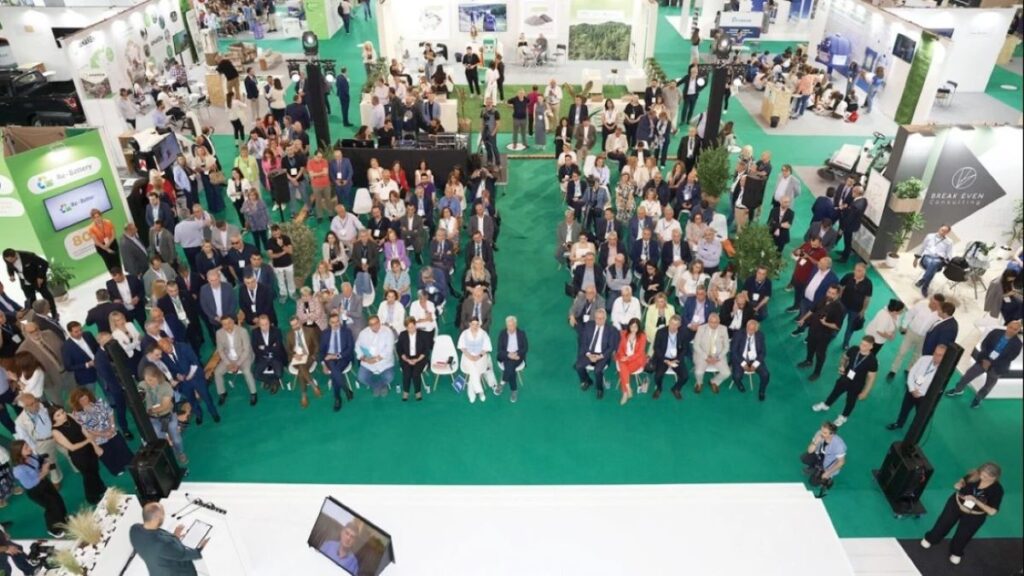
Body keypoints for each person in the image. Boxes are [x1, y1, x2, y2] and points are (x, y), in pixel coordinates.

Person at [920, 463, 1003, 565]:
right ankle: (931, 539)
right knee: (943, 523)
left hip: (975, 515)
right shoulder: (974, 475)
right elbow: (962, 481)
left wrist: (976, 501)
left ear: (994, 477)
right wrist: (959, 484)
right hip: (956, 504)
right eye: (981, 473)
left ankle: (956, 552)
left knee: (964, 534)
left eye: (986, 476)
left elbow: (992, 511)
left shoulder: (997, 490)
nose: (981, 477)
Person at [946, 319, 1022, 408]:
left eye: (1015, 329)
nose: (1011, 330)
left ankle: (978, 399)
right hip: (983, 360)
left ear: (1018, 330)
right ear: (1007, 326)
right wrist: (985, 360)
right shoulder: (996, 332)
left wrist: (991, 363)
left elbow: (1009, 358)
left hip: (997, 368)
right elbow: (984, 345)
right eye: (1010, 327)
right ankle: (958, 389)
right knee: (968, 375)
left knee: (988, 385)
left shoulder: (1018, 344)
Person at [812, 336, 879, 427]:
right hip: (845, 378)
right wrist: (842, 366)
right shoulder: (854, 349)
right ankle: (826, 405)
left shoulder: (873, 361)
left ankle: (844, 416)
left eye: (865, 345)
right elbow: (844, 358)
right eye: (861, 343)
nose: (861, 346)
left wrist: (865, 392)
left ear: (871, 346)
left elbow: (871, 378)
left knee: (850, 401)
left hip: (857, 384)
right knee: (834, 393)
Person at [69, 387, 133, 476]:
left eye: (85, 398)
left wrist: (112, 427)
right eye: (81, 400)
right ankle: (117, 469)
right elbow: (87, 429)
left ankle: (129, 462)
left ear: (88, 395)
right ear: (76, 401)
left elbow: (110, 413)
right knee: (108, 455)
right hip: (98, 438)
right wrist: (103, 434)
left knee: (121, 447)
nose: (84, 401)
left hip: (112, 431)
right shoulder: (77, 414)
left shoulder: (99, 402)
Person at [130, 502, 206, 576]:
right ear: (155, 519)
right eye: (162, 514)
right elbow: (184, 554)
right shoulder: (163, 544)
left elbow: (160, 548)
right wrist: (202, 548)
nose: (163, 517)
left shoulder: (134, 530)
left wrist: (174, 537)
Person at [10, 439, 67, 537]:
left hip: (44, 482)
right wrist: (44, 472)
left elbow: (39, 461)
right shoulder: (18, 470)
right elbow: (30, 484)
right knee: (52, 507)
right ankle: (53, 530)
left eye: (28, 445)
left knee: (58, 500)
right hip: (36, 491)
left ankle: (63, 520)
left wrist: (45, 463)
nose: (29, 448)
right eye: (26, 447)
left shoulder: (30, 456)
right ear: (18, 452)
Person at [50, 405, 106, 505]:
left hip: (89, 449)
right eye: (58, 415)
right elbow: (71, 447)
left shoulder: (70, 416)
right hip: (79, 455)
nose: (63, 415)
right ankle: (92, 498)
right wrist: (88, 440)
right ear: (53, 419)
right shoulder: (55, 431)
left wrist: (95, 446)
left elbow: (83, 430)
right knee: (88, 476)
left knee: (95, 469)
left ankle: (101, 488)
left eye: (62, 412)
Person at [887, 345, 946, 431]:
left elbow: (937, 388)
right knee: (904, 409)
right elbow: (911, 373)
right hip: (911, 390)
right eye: (935, 353)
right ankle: (899, 423)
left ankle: (914, 431)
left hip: (924, 397)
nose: (936, 356)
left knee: (920, 415)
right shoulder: (924, 359)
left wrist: (921, 393)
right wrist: (912, 389)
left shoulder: (943, 371)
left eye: (940, 355)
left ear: (945, 357)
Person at [796, 284, 845, 380]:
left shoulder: (839, 308)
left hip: (824, 335)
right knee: (810, 346)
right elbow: (812, 310)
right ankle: (809, 361)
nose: (829, 295)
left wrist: (825, 323)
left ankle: (817, 372)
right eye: (829, 292)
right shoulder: (823, 299)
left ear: (838, 295)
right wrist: (803, 319)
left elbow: (837, 326)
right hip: (813, 330)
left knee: (820, 354)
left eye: (833, 293)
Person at [214, 315, 258, 407]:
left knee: (247, 372)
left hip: (243, 357)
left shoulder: (243, 331)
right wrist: (228, 363)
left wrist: (237, 364)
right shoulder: (219, 333)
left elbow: (246, 350)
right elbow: (220, 350)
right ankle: (222, 393)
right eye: (224, 324)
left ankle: (253, 393)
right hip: (229, 358)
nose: (227, 326)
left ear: (233, 322)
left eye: (229, 323)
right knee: (217, 372)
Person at [575, 309, 619, 400]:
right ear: (594, 318)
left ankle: (600, 388)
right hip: (589, 353)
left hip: (602, 355)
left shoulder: (611, 330)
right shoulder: (588, 326)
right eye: (597, 318)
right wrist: (588, 354)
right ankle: (587, 380)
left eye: (602, 318)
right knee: (578, 366)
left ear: (605, 318)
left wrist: (600, 356)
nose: (599, 321)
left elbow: (611, 347)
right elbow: (583, 342)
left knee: (597, 370)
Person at [800, 422, 846, 498]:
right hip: (818, 458)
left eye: (825, 433)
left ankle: (828, 478)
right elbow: (810, 451)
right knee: (804, 458)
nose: (822, 433)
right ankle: (814, 468)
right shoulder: (819, 434)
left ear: (832, 434)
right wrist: (815, 442)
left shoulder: (839, 445)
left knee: (813, 482)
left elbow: (841, 462)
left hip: (827, 466)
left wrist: (828, 473)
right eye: (822, 430)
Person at [319, 313, 355, 411]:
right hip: (329, 358)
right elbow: (321, 351)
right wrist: (323, 365)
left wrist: (336, 356)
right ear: (329, 323)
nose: (335, 324)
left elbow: (350, 349)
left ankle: (338, 398)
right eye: (333, 322)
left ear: (340, 321)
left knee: (335, 373)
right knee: (335, 371)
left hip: (343, 357)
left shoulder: (347, 332)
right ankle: (346, 390)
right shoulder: (325, 333)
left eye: (337, 321)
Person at [3, 249, 55, 314]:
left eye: (11, 260)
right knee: (30, 301)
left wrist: (40, 277)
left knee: (46, 296)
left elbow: (44, 263)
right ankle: (37, 316)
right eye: (8, 260)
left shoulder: (28, 256)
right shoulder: (7, 260)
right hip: (24, 282)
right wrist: (11, 275)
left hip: (36, 279)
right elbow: (9, 266)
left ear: (15, 255)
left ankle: (54, 313)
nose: (10, 262)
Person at [457, 318, 496, 403]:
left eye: (477, 324)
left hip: (481, 358)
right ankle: (480, 391)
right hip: (467, 357)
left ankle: (471, 393)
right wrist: (470, 357)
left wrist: (478, 356)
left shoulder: (483, 334)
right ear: (470, 324)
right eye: (473, 324)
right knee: (473, 366)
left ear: (479, 325)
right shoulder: (464, 333)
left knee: (473, 370)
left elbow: (486, 348)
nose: (475, 326)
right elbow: (462, 348)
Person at [355, 316, 395, 396]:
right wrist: (365, 359)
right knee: (361, 377)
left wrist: (376, 360)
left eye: (376, 323)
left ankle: (380, 385)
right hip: (368, 362)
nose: (375, 326)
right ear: (369, 325)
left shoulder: (388, 332)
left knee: (389, 377)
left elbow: (389, 350)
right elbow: (357, 347)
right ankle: (377, 386)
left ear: (379, 322)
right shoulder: (363, 333)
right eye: (372, 324)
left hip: (384, 362)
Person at [731, 319, 770, 399]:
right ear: (746, 327)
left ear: (756, 329)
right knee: (737, 376)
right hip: (740, 359)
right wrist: (743, 363)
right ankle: (739, 384)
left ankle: (762, 391)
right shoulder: (738, 334)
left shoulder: (760, 335)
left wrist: (755, 364)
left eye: (752, 329)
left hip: (755, 359)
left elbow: (763, 352)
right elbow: (734, 351)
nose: (750, 331)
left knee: (766, 374)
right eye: (748, 328)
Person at [838, 263, 873, 349]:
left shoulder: (868, 283)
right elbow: (840, 286)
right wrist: (839, 298)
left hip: (856, 310)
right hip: (843, 305)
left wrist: (863, 310)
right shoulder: (848, 276)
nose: (856, 272)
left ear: (864, 272)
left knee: (850, 328)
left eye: (859, 271)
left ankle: (846, 343)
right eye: (855, 270)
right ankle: (832, 335)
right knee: (837, 321)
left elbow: (867, 298)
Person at [914, 225, 954, 297]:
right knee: (933, 264)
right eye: (942, 230)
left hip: (939, 260)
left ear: (947, 233)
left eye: (945, 231)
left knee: (934, 263)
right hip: (927, 257)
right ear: (939, 228)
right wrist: (916, 258)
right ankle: (925, 286)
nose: (943, 232)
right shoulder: (930, 236)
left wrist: (948, 264)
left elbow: (949, 254)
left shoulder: (949, 242)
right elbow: (922, 247)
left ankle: (923, 280)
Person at [614, 318, 646, 405]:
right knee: (622, 363)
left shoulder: (642, 336)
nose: (633, 329)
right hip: (624, 358)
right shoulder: (623, 333)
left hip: (636, 360)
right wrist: (623, 357)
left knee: (623, 371)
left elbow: (640, 353)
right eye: (632, 326)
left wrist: (628, 358)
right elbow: (620, 349)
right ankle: (627, 388)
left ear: (639, 327)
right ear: (629, 327)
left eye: (636, 327)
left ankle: (625, 392)